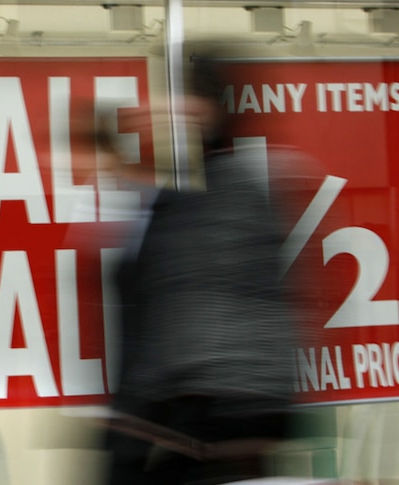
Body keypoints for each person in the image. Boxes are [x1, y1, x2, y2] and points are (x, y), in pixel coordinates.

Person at [103, 48, 300, 485]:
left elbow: (187, 309)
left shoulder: (206, 195)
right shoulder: (244, 186)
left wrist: (135, 415)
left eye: (185, 99)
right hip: (235, 408)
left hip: (208, 407)